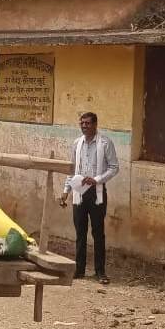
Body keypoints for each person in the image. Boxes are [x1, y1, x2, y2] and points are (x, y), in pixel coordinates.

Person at [59, 112, 119, 284]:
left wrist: (97, 179)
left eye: (87, 123)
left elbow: (114, 167)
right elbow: (72, 170)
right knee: (80, 232)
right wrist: (66, 191)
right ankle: (79, 270)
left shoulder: (105, 143)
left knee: (98, 233)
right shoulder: (77, 143)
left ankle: (100, 272)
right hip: (79, 193)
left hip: (96, 192)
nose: (84, 126)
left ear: (95, 124)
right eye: (82, 123)